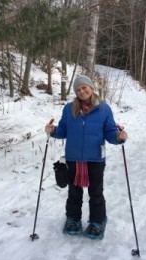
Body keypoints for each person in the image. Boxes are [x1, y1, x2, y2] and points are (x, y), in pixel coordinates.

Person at [45, 75, 128, 240]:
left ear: (91, 87)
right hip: (73, 158)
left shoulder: (104, 109)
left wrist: (119, 137)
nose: (82, 91)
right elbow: (63, 130)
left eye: (84, 87)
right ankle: (73, 220)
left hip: (95, 158)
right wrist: (53, 131)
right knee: (74, 192)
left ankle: (97, 221)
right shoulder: (69, 109)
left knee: (95, 192)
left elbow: (110, 132)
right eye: (78, 89)